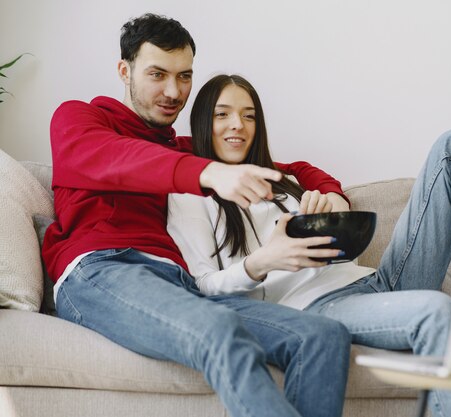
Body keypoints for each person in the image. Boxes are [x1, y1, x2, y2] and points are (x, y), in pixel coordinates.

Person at [43, 14, 355, 417]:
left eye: (184, 76)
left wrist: (332, 195)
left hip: (179, 285)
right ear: (125, 70)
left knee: (322, 335)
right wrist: (210, 172)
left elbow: (284, 166)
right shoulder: (81, 119)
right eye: (158, 74)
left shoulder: (181, 149)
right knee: (221, 331)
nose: (174, 91)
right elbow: (118, 158)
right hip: (103, 270)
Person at [167, 74, 451, 417]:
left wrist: (334, 213)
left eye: (249, 115)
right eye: (222, 114)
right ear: (202, 122)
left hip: (375, 283)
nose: (237, 125)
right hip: (318, 307)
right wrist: (262, 261)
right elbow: (203, 285)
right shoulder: (191, 197)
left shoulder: (288, 183)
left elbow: (341, 242)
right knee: (439, 311)